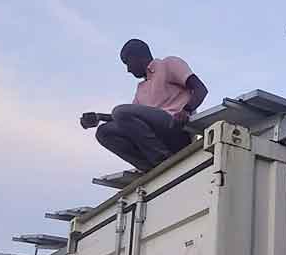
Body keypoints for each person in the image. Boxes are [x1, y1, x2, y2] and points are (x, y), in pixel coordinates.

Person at [80, 40, 208, 176]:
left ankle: (163, 159)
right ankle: (150, 167)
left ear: (138, 56)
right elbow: (125, 119)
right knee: (104, 132)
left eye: (127, 63)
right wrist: (99, 117)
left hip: (176, 128)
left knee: (121, 111)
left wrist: (186, 110)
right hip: (156, 139)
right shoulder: (141, 89)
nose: (128, 70)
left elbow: (200, 89)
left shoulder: (168, 64)